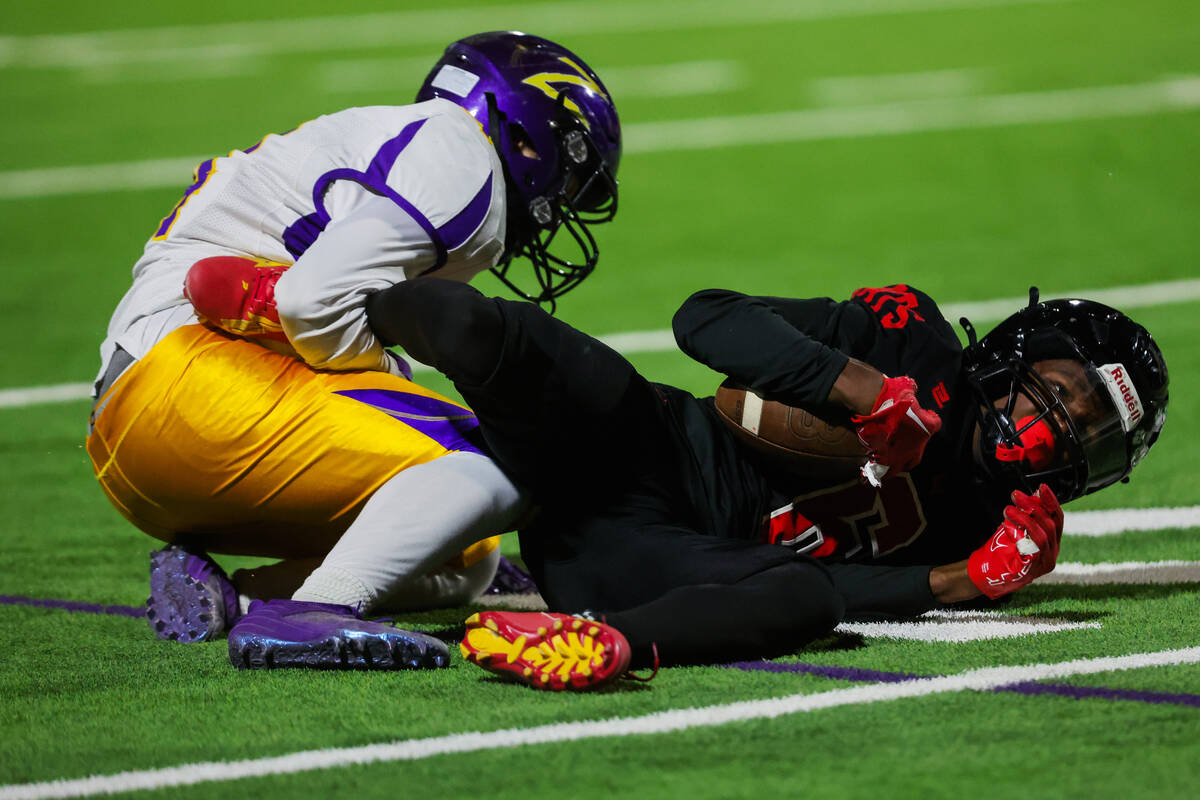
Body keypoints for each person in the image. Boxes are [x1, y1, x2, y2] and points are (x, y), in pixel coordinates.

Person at [85, 31, 621, 670]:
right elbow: (312, 302)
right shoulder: (461, 157)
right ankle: (316, 611)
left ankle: (240, 597)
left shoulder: (407, 143)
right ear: (525, 134)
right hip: (193, 380)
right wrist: (386, 366)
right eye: (570, 174)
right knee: (510, 463)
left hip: (139, 438)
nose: (561, 203)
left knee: (463, 552)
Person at [365, 278, 1168, 690]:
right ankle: (342, 308)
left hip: (649, 557)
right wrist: (853, 386)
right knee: (480, 328)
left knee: (807, 600)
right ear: (1019, 353)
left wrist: (958, 583)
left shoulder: (997, 531)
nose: (1061, 427)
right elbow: (705, 317)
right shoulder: (909, 341)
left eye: (1094, 432)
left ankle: (599, 644)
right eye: (1063, 392)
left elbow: (838, 589)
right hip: (640, 439)